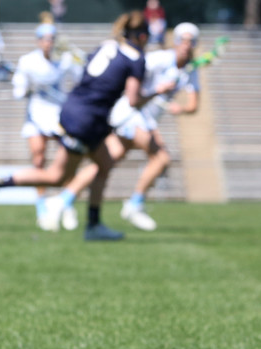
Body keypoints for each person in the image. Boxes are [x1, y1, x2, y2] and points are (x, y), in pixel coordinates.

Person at [0, 10, 148, 241]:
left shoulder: (108, 45)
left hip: (76, 110)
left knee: (104, 163)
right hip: (87, 119)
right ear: (142, 36)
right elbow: (134, 99)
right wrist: (158, 92)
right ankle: (0, 182)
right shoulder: (136, 58)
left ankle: (91, 222)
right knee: (56, 176)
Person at [62, 22, 202, 232]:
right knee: (161, 157)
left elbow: (193, 105)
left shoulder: (191, 69)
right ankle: (134, 205)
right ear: (176, 41)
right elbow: (133, 76)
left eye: (191, 41)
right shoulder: (160, 59)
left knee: (106, 162)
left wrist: (178, 108)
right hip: (130, 114)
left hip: (145, 119)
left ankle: (64, 200)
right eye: (183, 39)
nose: (186, 45)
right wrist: (157, 89)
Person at [8, 22, 83, 231]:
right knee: (38, 157)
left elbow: (79, 80)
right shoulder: (28, 61)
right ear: (38, 41)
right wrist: (27, 88)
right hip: (37, 114)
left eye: (51, 39)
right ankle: (41, 206)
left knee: (67, 159)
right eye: (44, 39)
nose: (48, 43)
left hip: (59, 115)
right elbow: (18, 91)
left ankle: (66, 205)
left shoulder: (65, 60)